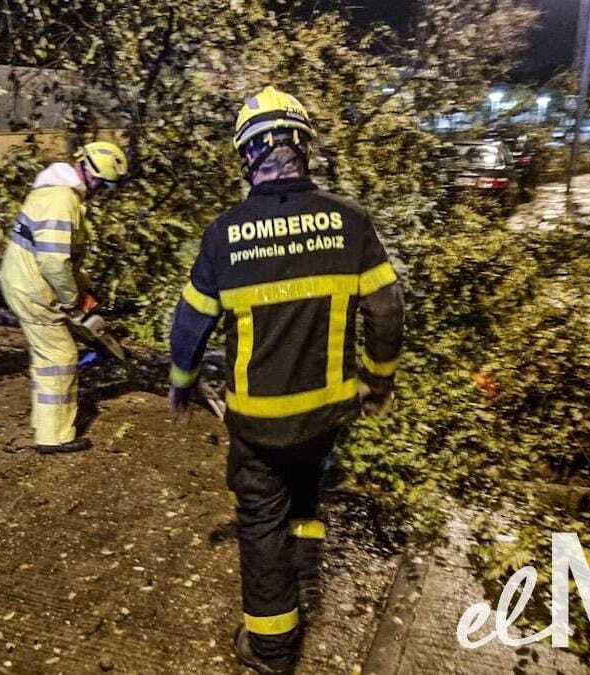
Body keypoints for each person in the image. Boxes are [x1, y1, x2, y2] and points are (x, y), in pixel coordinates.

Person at [167, 86, 404, 673]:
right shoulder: (350, 222)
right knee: (306, 488)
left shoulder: (224, 234)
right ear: (305, 148)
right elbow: (388, 308)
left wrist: (182, 381)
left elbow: (191, 323)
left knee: (261, 514)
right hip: (327, 412)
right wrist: (377, 380)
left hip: (259, 420)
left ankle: (271, 647)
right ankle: (303, 571)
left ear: (248, 156)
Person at [0, 141, 128, 454]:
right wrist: (72, 300)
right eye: (103, 184)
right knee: (59, 356)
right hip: (33, 287)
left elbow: (63, 258)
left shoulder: (55, 191)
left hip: (27, 281)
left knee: (51, 354)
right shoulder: (62, 199)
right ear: (91, 174)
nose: (102, 191)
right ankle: (54, 436)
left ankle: (46, 427)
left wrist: (84, 290)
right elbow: (54, 261)